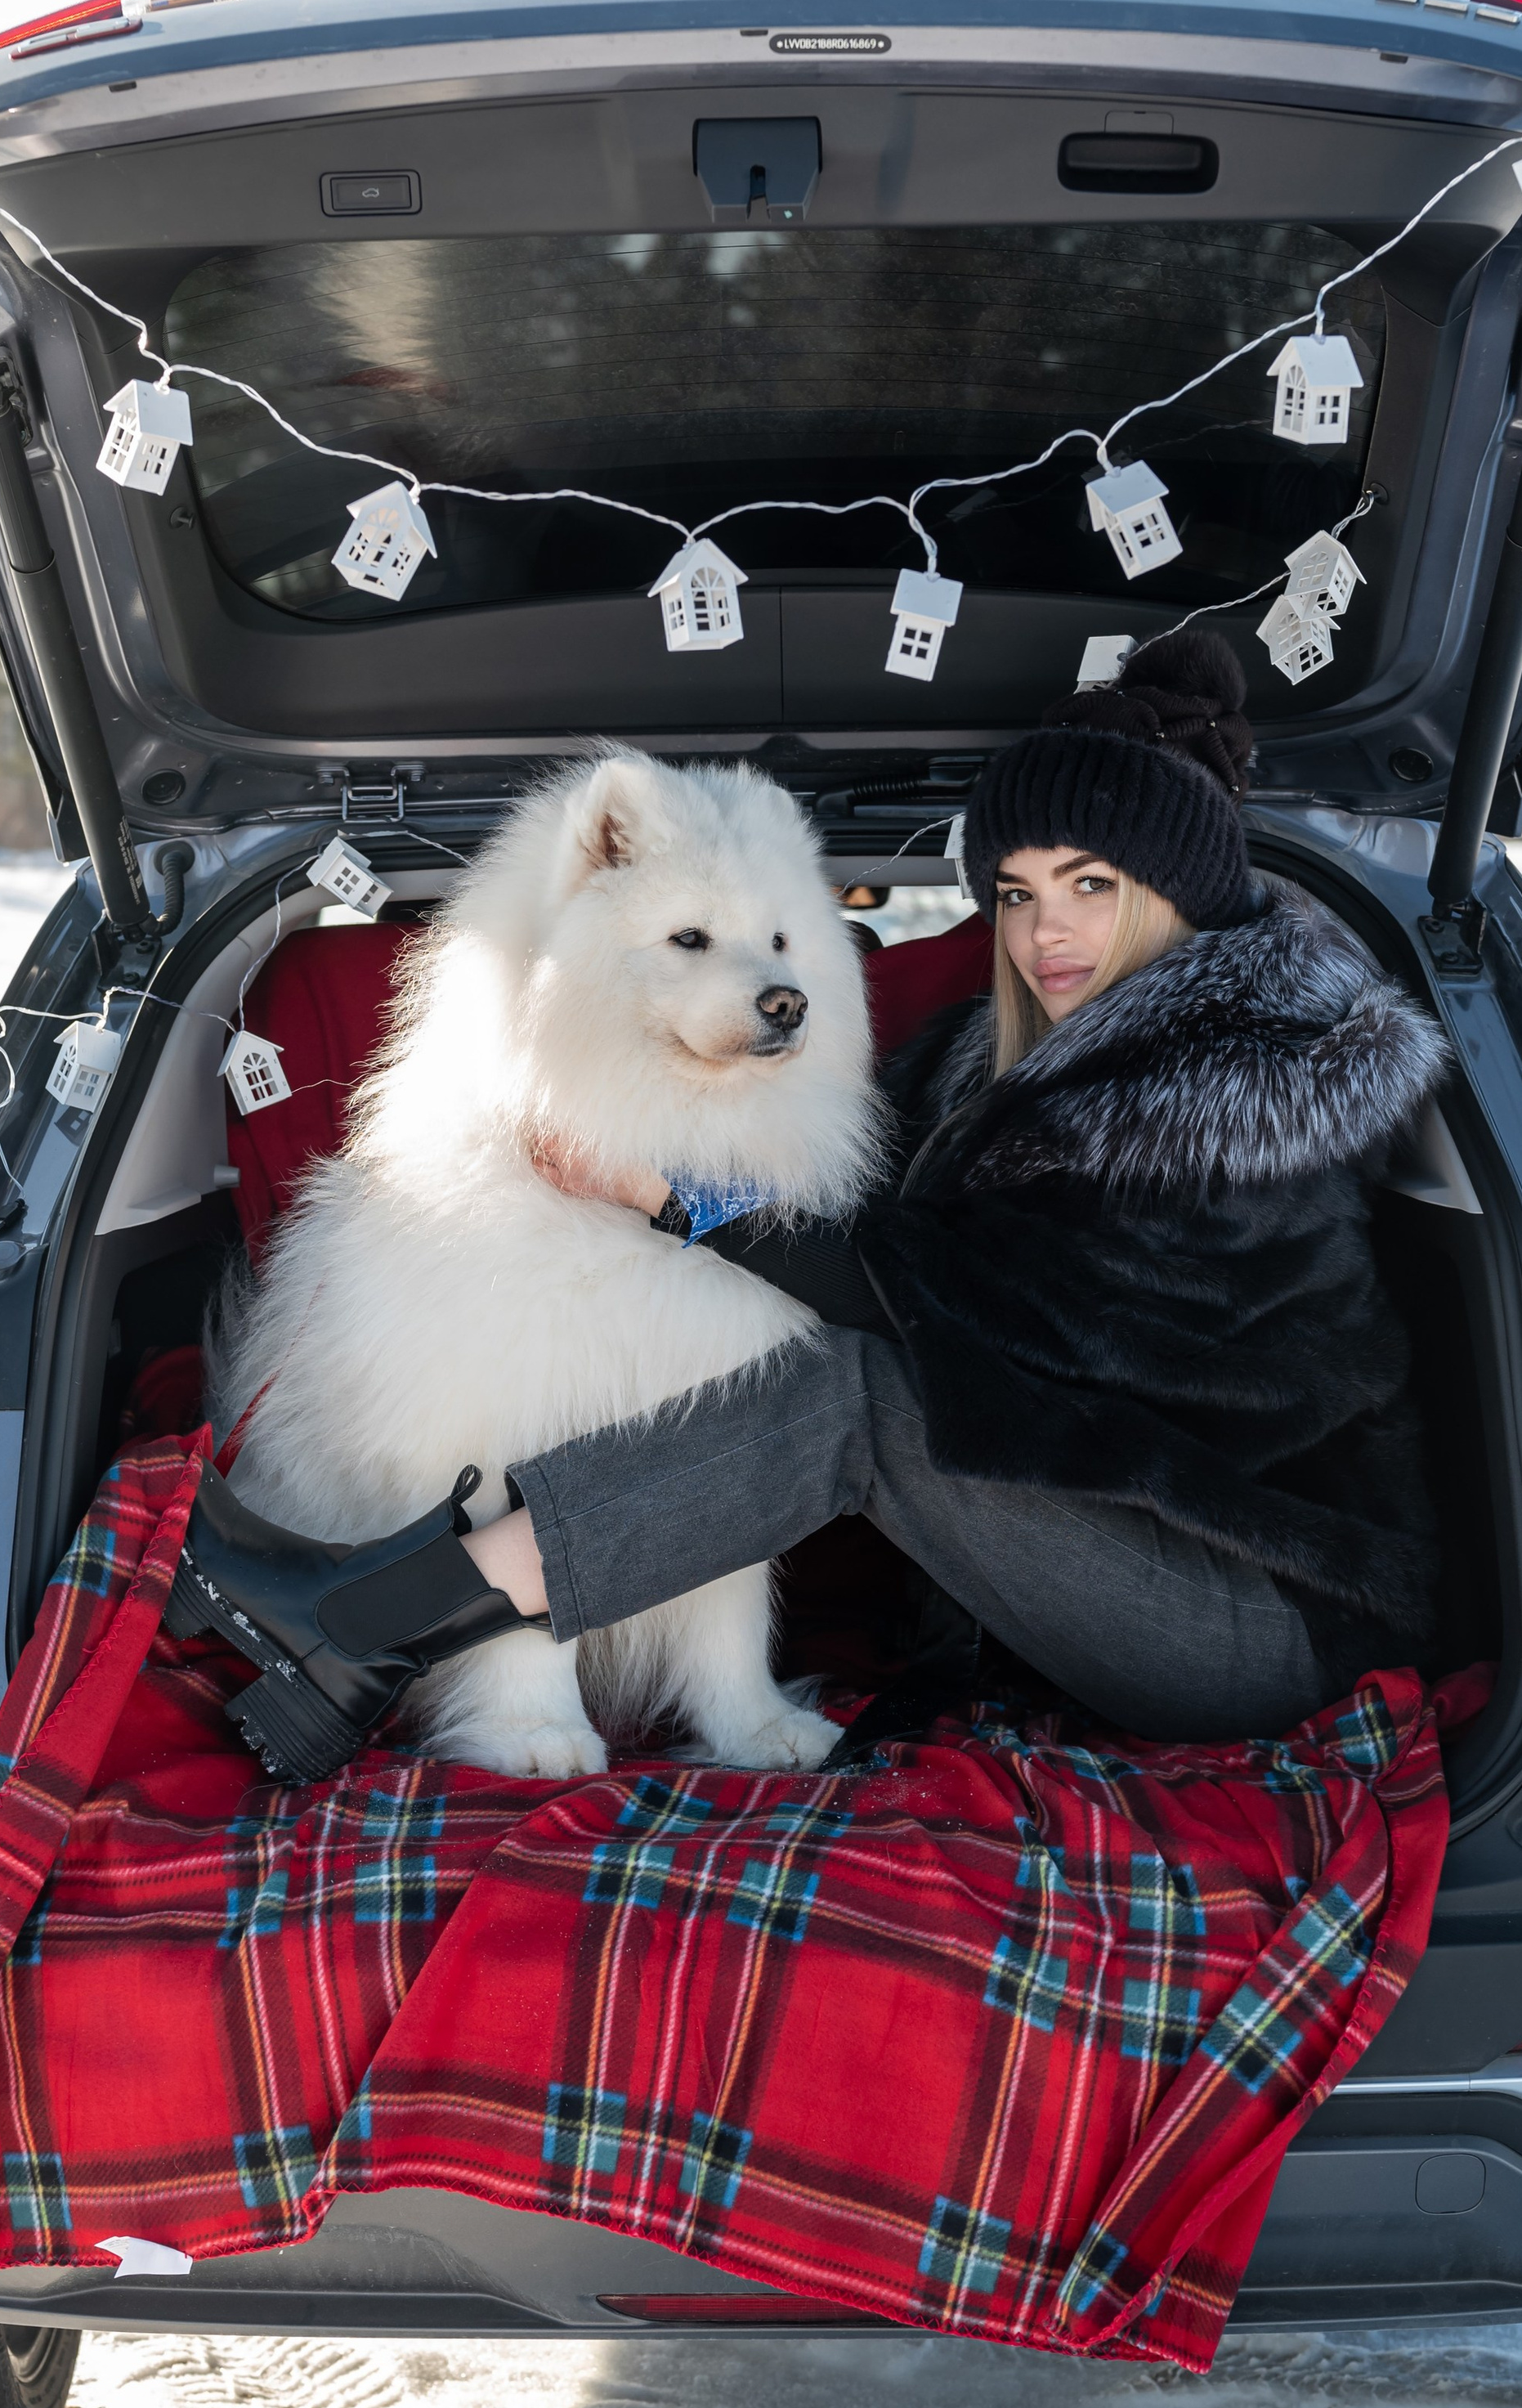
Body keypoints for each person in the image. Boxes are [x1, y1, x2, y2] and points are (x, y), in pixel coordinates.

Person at [177, 628, 1453, 1758]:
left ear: (1177, 891)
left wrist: (668, 1195)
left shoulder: (1238, 1107)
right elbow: (876, 1214)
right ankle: (401, 1622)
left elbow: (976, 1316)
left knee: (847, 1392)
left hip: (1263, 1611)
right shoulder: (1005, 1066)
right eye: (1017, 892)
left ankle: (366, 1622)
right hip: (1122, 1548)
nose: (1043, 931)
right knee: (834, 1372)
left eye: (1091, 885)